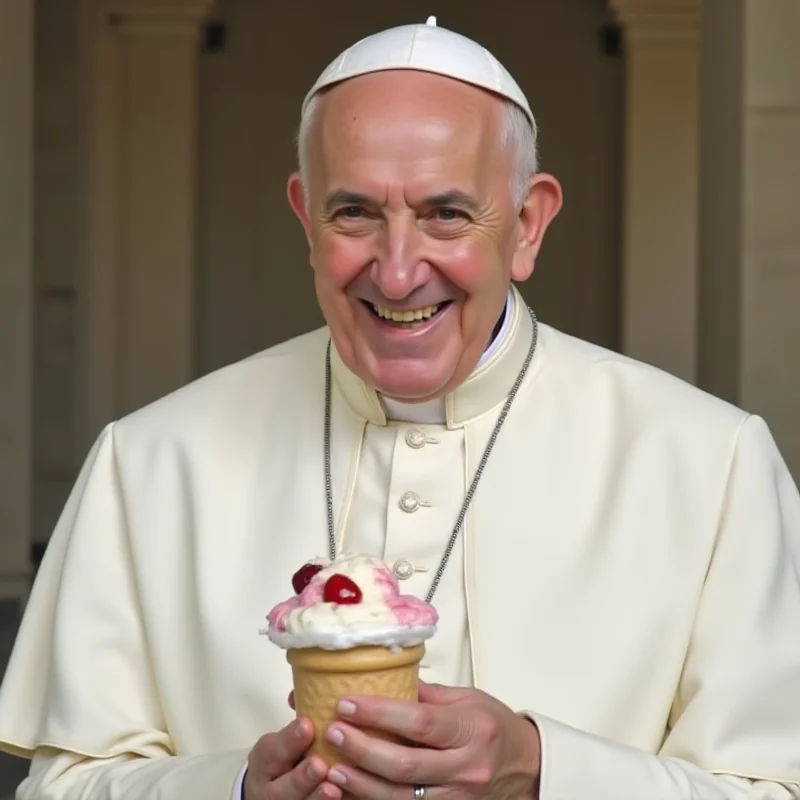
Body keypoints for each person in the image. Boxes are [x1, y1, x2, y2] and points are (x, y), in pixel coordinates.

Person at [1, 14, 800, 800]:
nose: (395, 272)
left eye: (446, 214)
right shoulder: (147, 462)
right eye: (354, 213)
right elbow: (62, 788)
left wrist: (545, 773)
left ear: (527, 225)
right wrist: (236, 792)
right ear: (305, 221)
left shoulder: (711, 463)